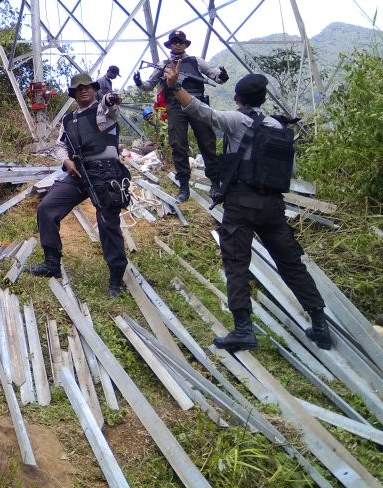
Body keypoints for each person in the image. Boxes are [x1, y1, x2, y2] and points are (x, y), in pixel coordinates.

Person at [162, 68, 332, 352]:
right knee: (291, 264)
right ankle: (320, 325)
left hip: (242, 203)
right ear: (263, 99)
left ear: (237, 97)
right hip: (274, 206)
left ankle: (243, 330)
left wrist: (174, 84)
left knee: (237, 263)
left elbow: (200, 110)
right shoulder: (278, 127)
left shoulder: (236, 120)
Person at [28, 73, 131, 297]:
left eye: (87, 87)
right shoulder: (69, 119)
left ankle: (116, 278)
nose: (83, 90)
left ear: (95, 89)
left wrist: (111, 99)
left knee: (107, 223)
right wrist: (66, 161)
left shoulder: (105, 111)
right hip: (78, 173)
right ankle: (51, 263)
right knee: (47, 208)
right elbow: (59, 145)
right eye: (78, 88)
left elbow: (110, 105)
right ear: (73, 94)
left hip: (105, 175)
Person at [134, 29, 228, 202]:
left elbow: (217, 77)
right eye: (174, 42)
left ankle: (215, 182)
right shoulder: (163, 65)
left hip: (197, 103)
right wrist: (139, 82)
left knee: (207, 142)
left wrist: (222, 75)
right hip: (175, 106)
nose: (177, 44)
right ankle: (184, 186)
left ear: (185, 44)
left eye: (180, 42)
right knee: (178, 144)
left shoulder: (196, 61)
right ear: (170, 45)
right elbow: (148, 85)